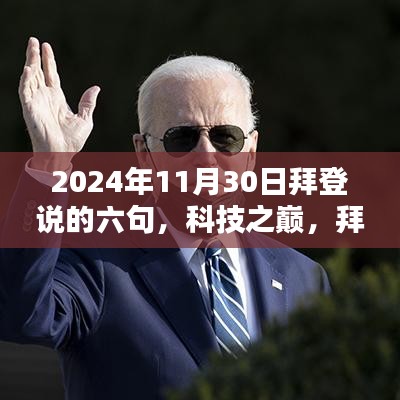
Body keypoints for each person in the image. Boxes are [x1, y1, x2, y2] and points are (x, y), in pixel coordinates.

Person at [0, 37, 330, 400]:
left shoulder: (304, 277)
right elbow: (19, 315)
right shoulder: (96, 261)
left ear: (250, 152)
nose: (206, 156)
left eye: (226, 137)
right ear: (144, 153)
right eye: (181, 139)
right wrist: (50, 165)